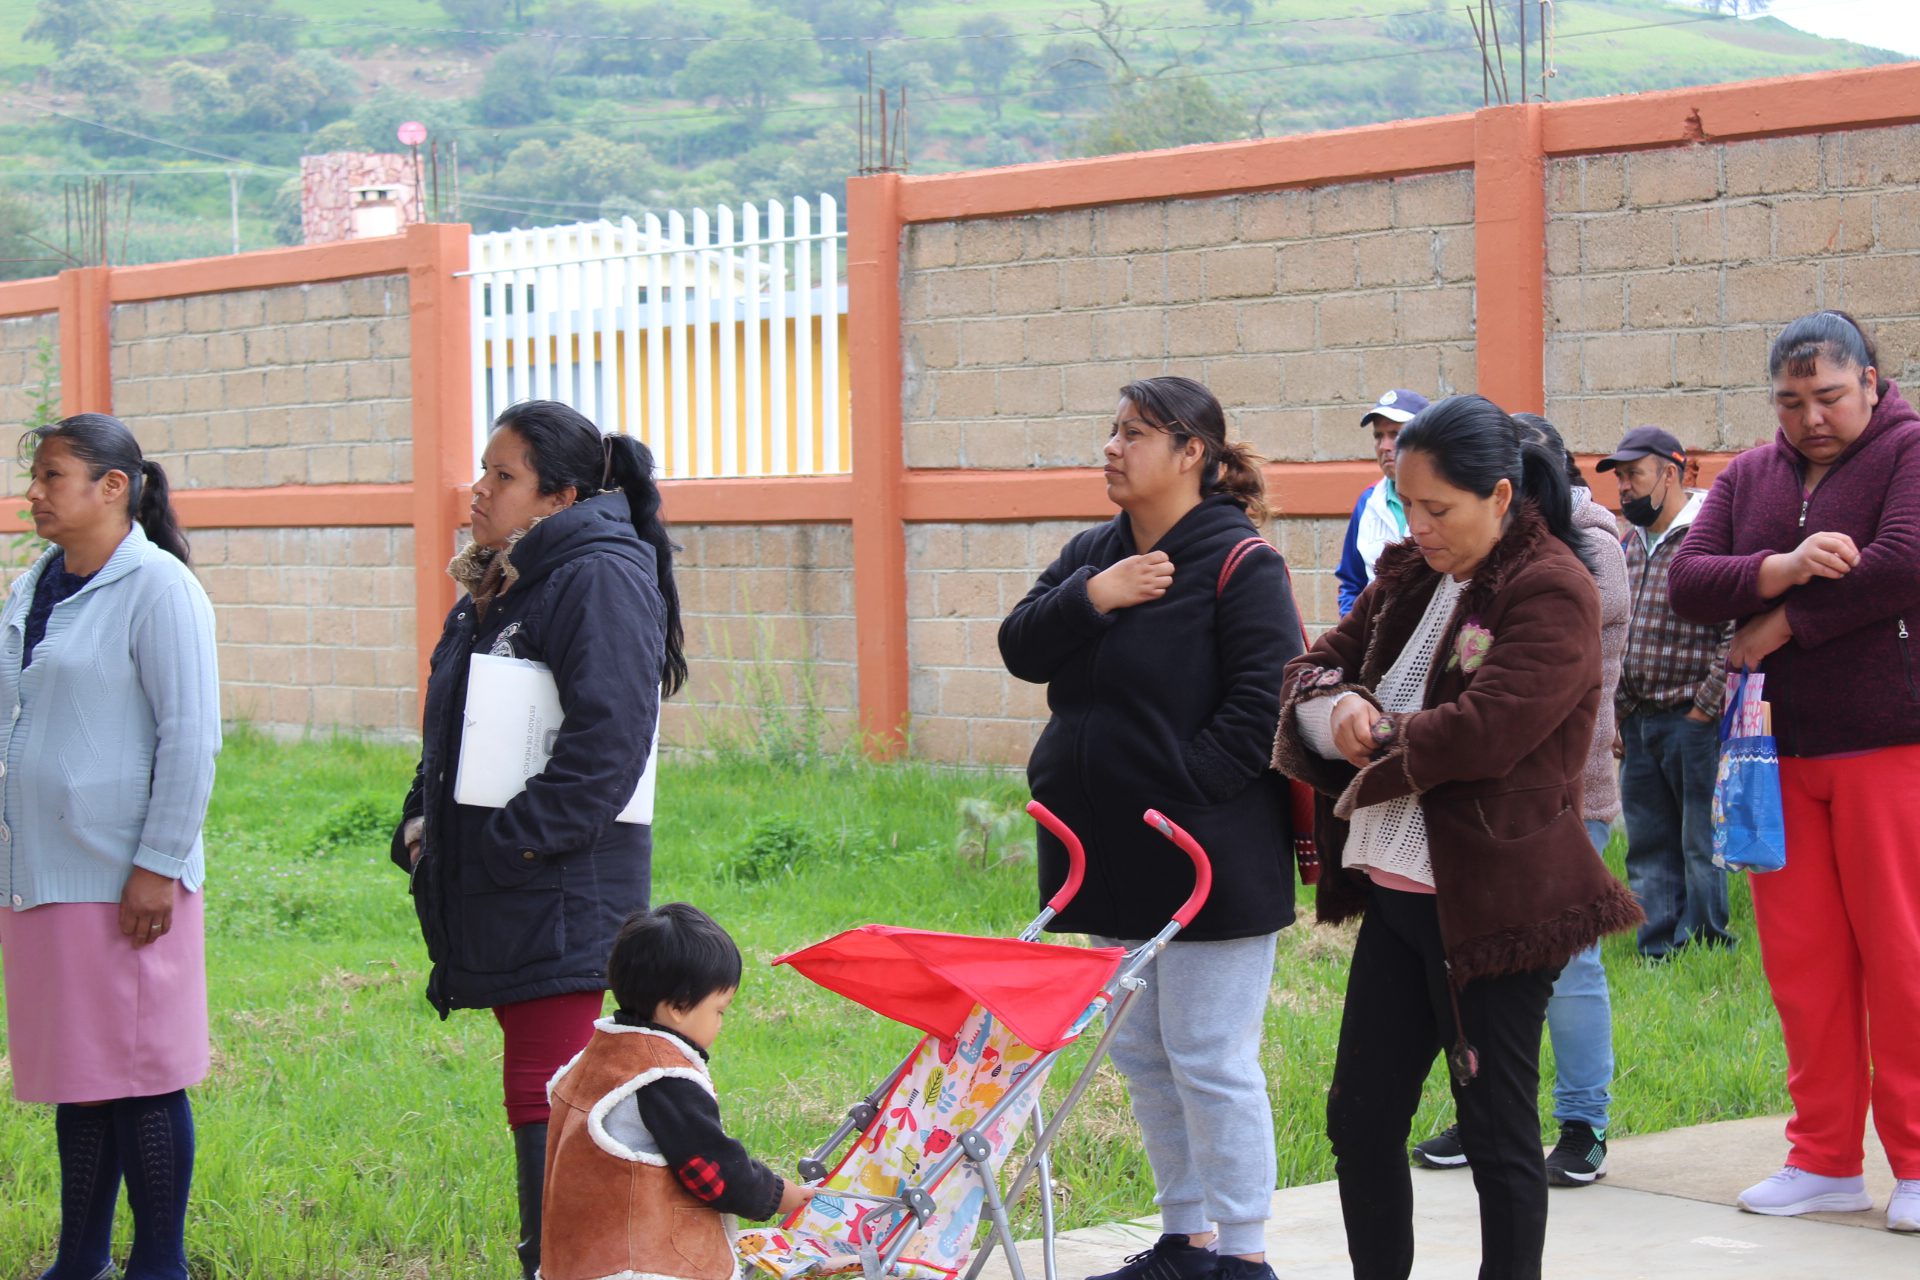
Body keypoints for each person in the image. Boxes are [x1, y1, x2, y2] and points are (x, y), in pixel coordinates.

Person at [1272, 395, 1642, 1280]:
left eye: (1439, 508)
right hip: (1400, 900)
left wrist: (1377, 729)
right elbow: (1309, 665)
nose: (1419, 525)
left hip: (1495, 907)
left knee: (1495, 1129)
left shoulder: (1550, 585)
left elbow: (1487, 731)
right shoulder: (1406, 573)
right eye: (1407, 504)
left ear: (1501, 494)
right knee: (1360, 1116)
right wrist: (1338, 707)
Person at [999, 376, 1303, 1280]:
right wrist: (1097, 595)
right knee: (1140, 1053)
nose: (1112, 448)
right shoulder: (1094, 553)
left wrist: (1182, 798)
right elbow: (1022, 647)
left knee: (1210, 1058)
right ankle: (1187, 1237)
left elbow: (1263, 706)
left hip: (1204, 855)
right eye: (1113, 432)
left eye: (1134, 434)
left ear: (1191, 455)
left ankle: (1244, 1254)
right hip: (1103, 856)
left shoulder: (1241, 563)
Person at [393, 399, 688, 1278]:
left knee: (561, 1111)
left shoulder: (594, 577)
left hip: (561, 891)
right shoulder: (505, 578)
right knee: (545, 1104)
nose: (478, 491)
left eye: (502, 476)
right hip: (516, 885)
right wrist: (419, 828)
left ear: (557, 498)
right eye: (483, 471)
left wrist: (505, 846)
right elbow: (454, 728)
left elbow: (608, 746)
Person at [1668, 310, 1920, 1234]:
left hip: (1891, 742)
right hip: (1772, 754)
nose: (1810, 418)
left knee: (1903, 954)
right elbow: (1690, 581)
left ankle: (1919, 1160)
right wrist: (1778, 567)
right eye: (1790, 401)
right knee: (1803, 962)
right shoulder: (1750, 474)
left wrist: (1785, 624)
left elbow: (1905, 564)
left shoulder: (1909, 452)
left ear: (1872, 381)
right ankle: (1822, 1158)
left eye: (1828, 397)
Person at [0, 414, 220, 1280]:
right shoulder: (35, 584)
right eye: (37, 476)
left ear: (113, 487)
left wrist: (157, 867)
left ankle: (158, 1262)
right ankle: (79, 1256)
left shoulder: (158, 589)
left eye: (53, 476)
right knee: (80, 1074)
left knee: (142, 1075)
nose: (35, 492)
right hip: (44, 874)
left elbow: (191, 736)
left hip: (124, 878)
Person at [1410, 414, 1630, 1187]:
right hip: (1485, 804)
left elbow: (1508, 671)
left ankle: (1584, 1123)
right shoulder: (1484, 565)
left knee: (1567, 967)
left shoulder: (1584, 554)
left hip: (1568, 798)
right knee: (1477, 971)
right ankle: (1492, 1116)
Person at [540, 903, 815, 1280]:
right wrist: (774, 1194)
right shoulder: (664, 1080)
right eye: (719, 1010)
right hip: (641, 1264)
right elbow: (714, 1170)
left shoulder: (601, 1056)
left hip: (579, 1257)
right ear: (677, 1008)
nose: (721, 1023)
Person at [1598, 425, 1735, 959]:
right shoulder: (1628, 544)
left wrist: (1707, 705)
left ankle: (1704, 943)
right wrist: (1616, 709)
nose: (1624, 488)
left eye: (1634, 475)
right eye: (1620, 478)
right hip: (1638, 719)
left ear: (1670, 474)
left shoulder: (1708, 538)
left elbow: (1736, 627)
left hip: (1691, 717)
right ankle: (1657, 945)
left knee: (1700, 839)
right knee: (1649, 840)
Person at [1335, 389, 1432, 616]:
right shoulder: (1367, 502)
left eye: (1395, 434)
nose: (1384, 446)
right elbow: (1352, 581)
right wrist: (1354, 634)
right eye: (1378, 436)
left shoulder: (1445, 501)